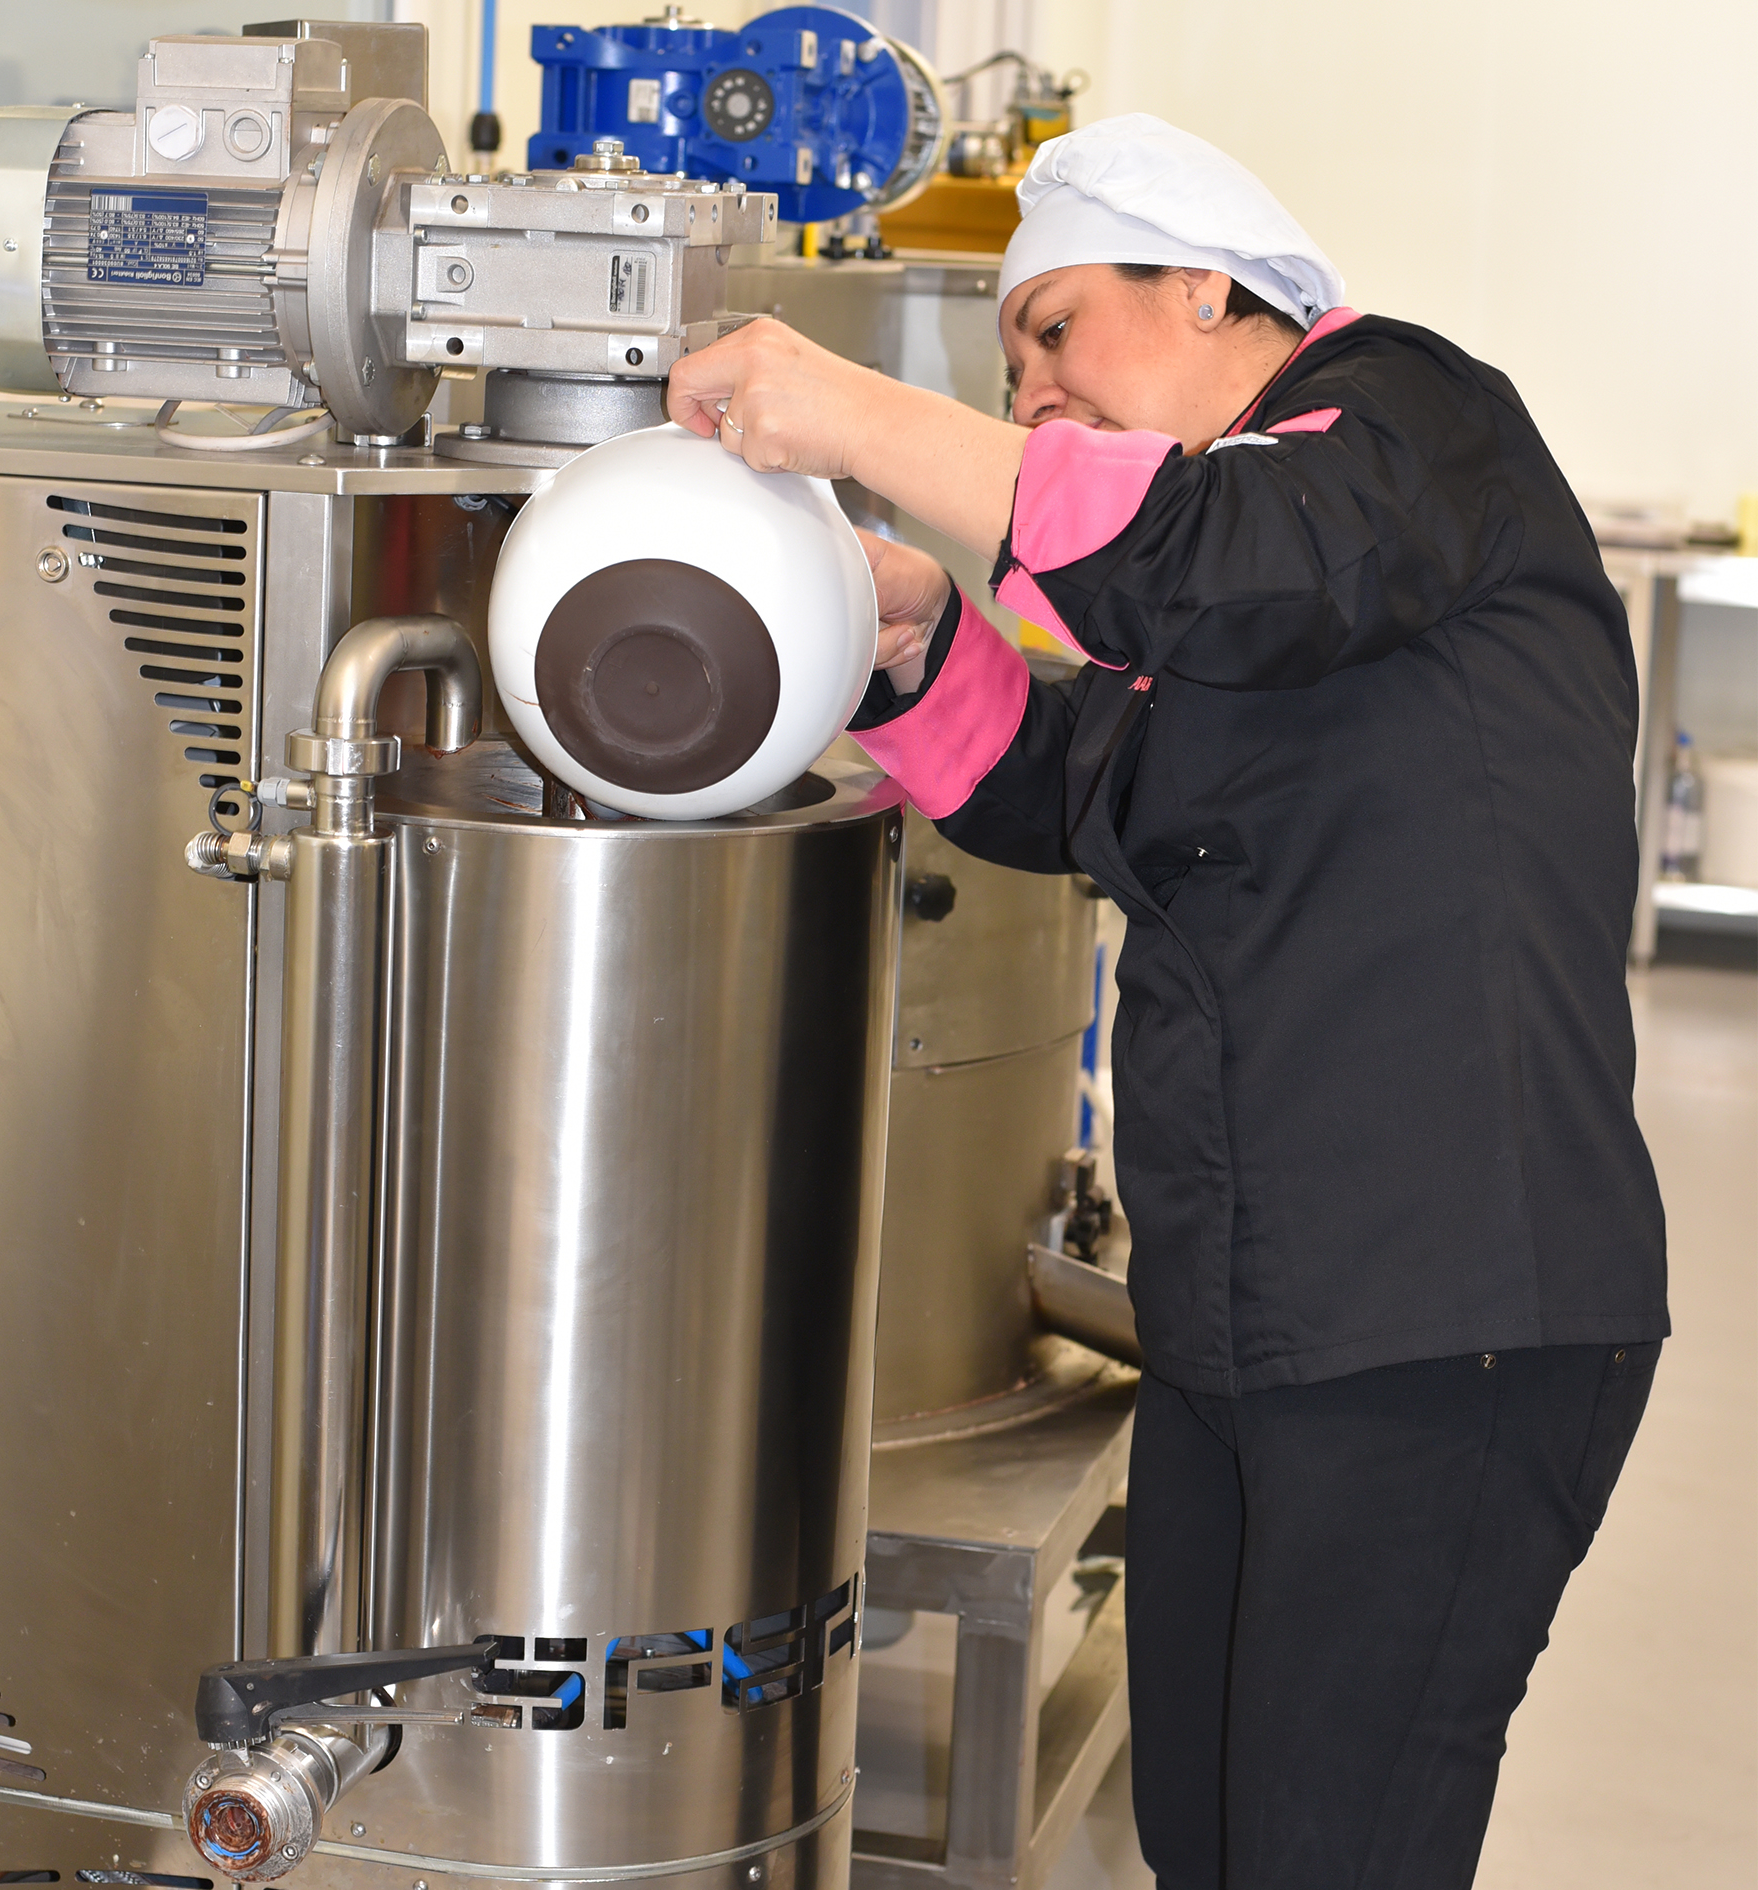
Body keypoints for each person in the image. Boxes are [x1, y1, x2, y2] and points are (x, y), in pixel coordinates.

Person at [668, 114, 1669, 1890]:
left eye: (1055, 330)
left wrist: (855, 414)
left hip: (1450, 1318)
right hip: (1248, 1322)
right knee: (1206, 1831)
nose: (1032, 389)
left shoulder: (1406, 426)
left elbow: (1228, 558)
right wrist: (913, 639)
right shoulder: (1211, 600)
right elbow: (1075, 787)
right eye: (1008, 362)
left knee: (1324, 1847)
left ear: (1206, 284)